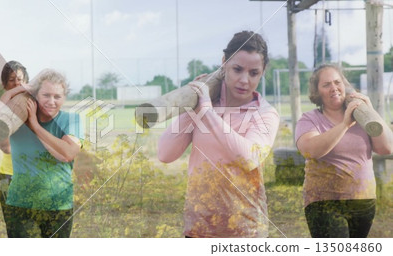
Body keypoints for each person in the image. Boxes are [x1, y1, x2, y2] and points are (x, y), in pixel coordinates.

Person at [158, 31, 280, 238]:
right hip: (199, 229)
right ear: (224, 63)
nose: (244, 80)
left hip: (246, 231)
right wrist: (194, 108)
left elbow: (249, 158)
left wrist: (206, 110)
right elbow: (165, 153)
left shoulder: (266, 114)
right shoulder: (205, 105)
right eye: (237, 69)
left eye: (254, 73)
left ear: (263, 71)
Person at [295, 63, 393, 238]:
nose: (334, 88)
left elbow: (386, 148)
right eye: (326, 85)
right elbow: (311, 150)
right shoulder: (309, 119)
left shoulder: (361, 116)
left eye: (337, 82)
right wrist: (345, 124)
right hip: (324, 202)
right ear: (317, 92)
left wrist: (370, 111)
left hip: (364, 201)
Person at [5, 69, 83, 238]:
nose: (51, 101)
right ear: (36, 96)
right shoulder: (18, 121)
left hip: (58, 205)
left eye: (57, 96)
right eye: (46, 95)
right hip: (20, 205)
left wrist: (35, 126)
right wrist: (14, 92)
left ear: (64, 98)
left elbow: (67, 153)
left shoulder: (72, 120)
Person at [0, 60, 29, 237]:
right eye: (12, 80)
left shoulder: (37, 105)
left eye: (20, 79)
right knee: (17, 233)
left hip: (37, 177)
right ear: (4, 85)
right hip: (10, 177)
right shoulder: (1, 113)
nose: (17, 83)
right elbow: (6, 148)